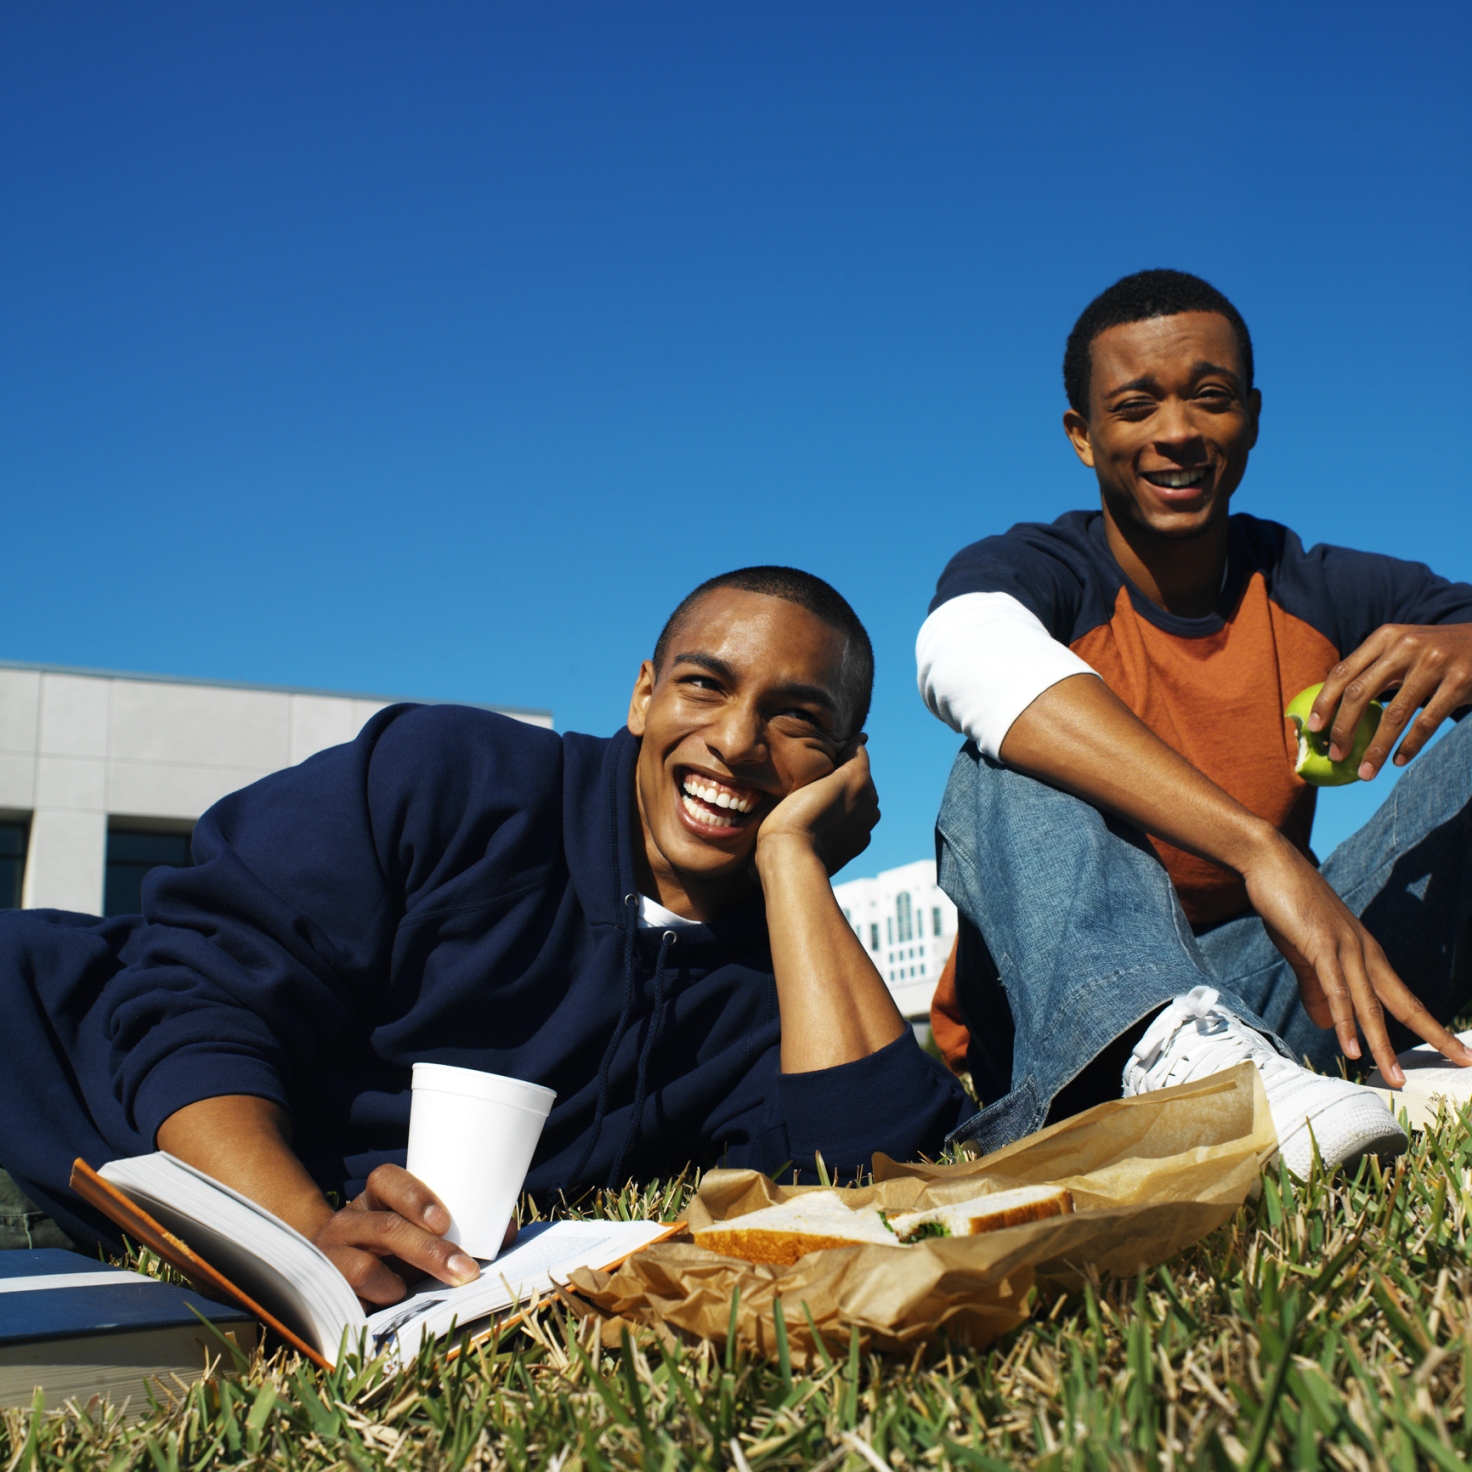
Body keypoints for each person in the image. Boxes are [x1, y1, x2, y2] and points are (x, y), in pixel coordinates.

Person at [0, 566, 970, 1304]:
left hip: (97, 1228)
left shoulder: (774, 980)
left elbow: (860, 1177)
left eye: (795, 719)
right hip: (39, 1062)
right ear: (642, 696)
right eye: (704, 686)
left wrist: (795, 864)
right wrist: (302, 1239)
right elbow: (198, 989)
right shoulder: (455, 776)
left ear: (844, 767)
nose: (732, 739)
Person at [918, 269, 1472, 1176]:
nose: (1177, 432)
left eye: (1208, 399)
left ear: (1251, 416)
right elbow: (960, 651)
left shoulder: (1312, 581)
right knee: (1002, 757)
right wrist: (1263, 850)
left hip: (1284, 979)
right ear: (1083, 438)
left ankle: (1317, 1072)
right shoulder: (1041, 570)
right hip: (1074, 1022)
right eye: (1136, 407)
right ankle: (1178, 1078)